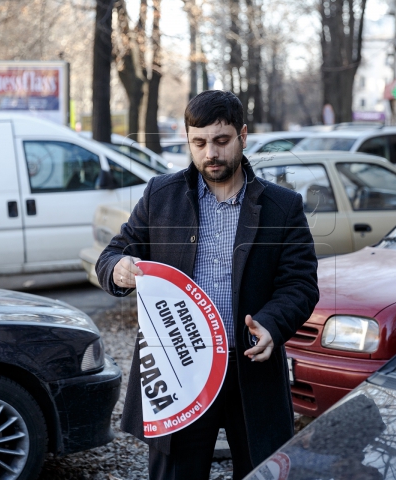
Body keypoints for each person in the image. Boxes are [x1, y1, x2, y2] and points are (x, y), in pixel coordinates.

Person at [96, 90, 320, 479]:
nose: (210, 153)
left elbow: (300, 284)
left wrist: (271, 323)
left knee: (261, 473)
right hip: (180, 368)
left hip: (250, 368)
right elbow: (112, 255)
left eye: (221, 140)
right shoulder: (160, 196)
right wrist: (119, 269)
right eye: (199, 143)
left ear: (243, 136)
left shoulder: (283, 206)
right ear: (188, 140)